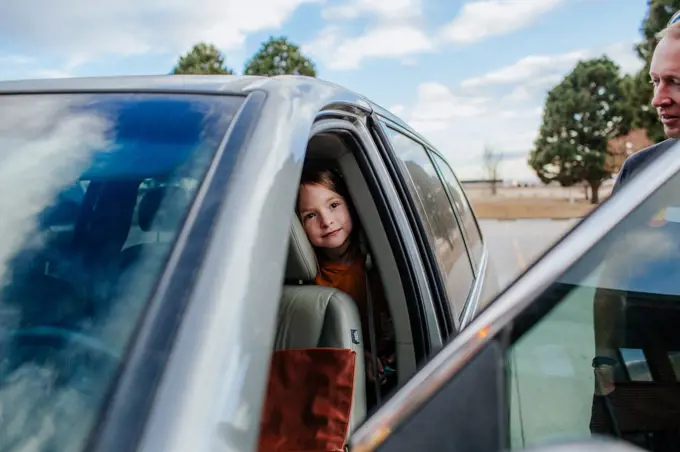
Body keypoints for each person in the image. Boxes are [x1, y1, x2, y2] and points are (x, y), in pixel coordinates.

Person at [590, 10, 680, 440]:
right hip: (643, 383)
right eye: (655, 81)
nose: (658, 99)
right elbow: (610, 279)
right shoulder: (641, 172)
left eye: (675, 82)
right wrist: (604, 361)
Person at [296, 163, 397, 405]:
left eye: (333, 205)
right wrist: (362, 357)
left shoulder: (384, 260)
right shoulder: (309, 282)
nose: (326, 221)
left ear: (351, 204)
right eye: (310, 215)